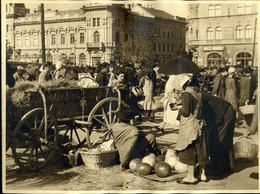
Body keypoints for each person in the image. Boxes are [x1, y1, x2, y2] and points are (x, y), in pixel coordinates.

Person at [175, 75, 208, 184]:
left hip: (189, 125)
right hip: (199, 123)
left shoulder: (186, 94)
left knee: (189, 150)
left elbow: (185, 112)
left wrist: (178, 107)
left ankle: (190, 176)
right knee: (200, 149)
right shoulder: (198, 94)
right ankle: (202, 174)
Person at [201, 93, 236, 178]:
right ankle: (227, 167)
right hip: (227, 109)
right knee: (227, 140)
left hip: (224, 113)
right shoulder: (197, 94)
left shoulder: (193, 97)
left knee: (217, 140)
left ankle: (217, 169)